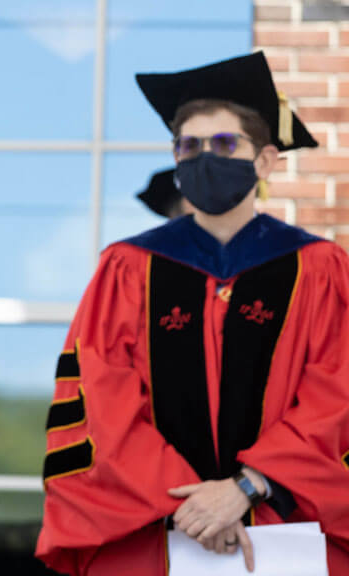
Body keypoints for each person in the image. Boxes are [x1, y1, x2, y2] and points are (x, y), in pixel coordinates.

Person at [35, 52, 349, 576]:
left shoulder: (318, 269)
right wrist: (195, 504)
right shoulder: (127, 268)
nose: (204, 158)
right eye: (189, 146)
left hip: (284, 528)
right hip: (155, 529)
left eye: (224, 144)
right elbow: (103, 400)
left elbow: (336, 395)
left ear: (265, 161)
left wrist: (246, 488)